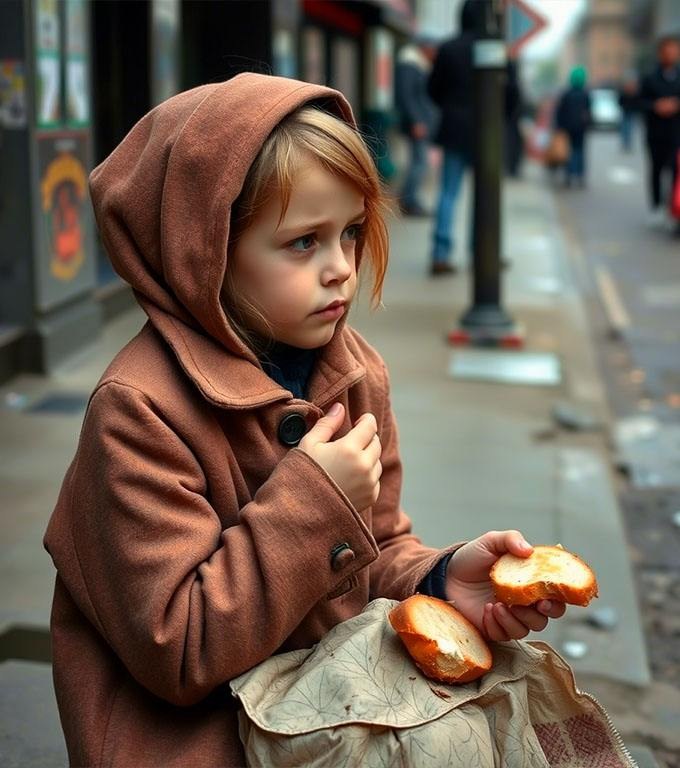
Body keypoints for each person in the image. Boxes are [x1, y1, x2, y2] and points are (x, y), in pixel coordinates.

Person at [43, 73, 566, 767]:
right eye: (302, 243)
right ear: (207, 250)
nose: (341, 269)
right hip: (196, 737)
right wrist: (312, 502)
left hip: (326, 711)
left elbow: (374, 553)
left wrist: (440, 580)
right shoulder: (139, 411)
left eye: (351, 233)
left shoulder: (355, 373)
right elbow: (179, 647)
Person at [426, 0, 479, 275]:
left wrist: (450, 104)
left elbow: (432, 88)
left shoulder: (447, 48)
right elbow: (511, 92)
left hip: (454, 128)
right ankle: (481, 252)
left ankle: (440, 253)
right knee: (483, 197)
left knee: (448, 193)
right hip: (485, 132)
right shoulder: (491, 48)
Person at [638, 35, 680, 227]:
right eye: (667, 50)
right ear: (660, 53)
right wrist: (656, 106)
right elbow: (639, 102)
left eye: (674, 50)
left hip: (676, 134)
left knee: (675, 171)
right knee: (656, 170)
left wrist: (675, 105)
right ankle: (655, 206)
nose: (671, 54)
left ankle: (673, 208)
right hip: (655, 133)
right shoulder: (649, 77)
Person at [394, 35, 438, 217]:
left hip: (419, 121)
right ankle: (409, 201)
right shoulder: (409, 64)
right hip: (417, 122)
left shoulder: (416, 64)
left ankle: (410, 199)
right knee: (419, 162)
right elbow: (406, 95)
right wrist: (416, 120)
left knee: (419, 162)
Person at [554, 66, 592, 188]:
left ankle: (569, 175)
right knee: (580, 151)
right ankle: (580, 176)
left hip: (567, 127)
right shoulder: (585, 94)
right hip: (580, 128)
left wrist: (559, 127)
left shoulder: (566, 94)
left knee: (568, 152)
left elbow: (559, 112)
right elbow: (589, 112)